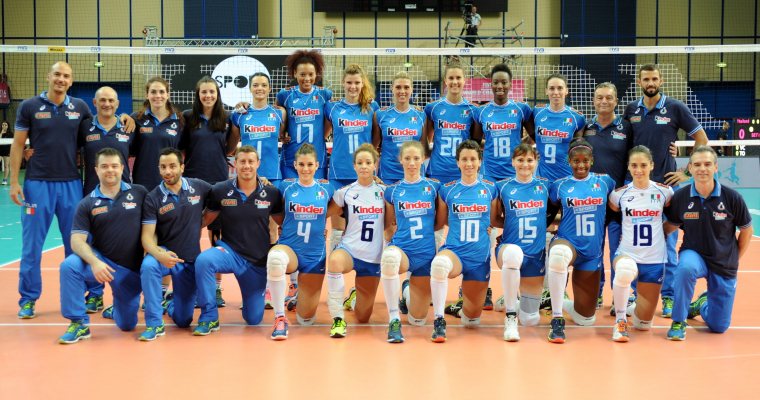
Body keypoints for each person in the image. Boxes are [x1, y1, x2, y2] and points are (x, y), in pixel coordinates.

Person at [10, 62, 133, 318]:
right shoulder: (29, 106)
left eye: (66, 76)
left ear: (71, 80)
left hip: (71, 184)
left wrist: (126, 117)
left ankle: (90, 294)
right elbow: (18, 144)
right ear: (48, 76)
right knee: (31, 246)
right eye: (57, 74)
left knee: (78, 244)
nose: (61, 79)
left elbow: (101, 125)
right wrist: (13, 181)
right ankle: (28, 299)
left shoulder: (80, 108)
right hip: (37, 184)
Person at [623, 63, 708, 318]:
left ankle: (668, 297)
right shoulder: (631, 109)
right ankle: (636, 295)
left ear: (660, 81)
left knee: (669, 246)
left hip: (667, 188)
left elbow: (701, 139)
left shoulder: (675, 107)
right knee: (637, 245)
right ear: (639, 82)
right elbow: (626, 144)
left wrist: (686, 172)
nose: (650, 83)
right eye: (646, 79)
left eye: (654, 79)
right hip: (638, 188)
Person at [57, 148, 148, 344]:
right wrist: (95, 262)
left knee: (127, 325)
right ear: (96, 170)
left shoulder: (140, 193)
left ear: (122, 168)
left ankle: (117, 310)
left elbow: (154, 226)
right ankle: (79, 323)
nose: (110, 170)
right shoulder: (87, 203)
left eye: (114, 166)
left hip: (130, 272)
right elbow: (76, 241)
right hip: (102, 262)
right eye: (105, 166)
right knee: (69, 266)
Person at [664, 146, 753, 340]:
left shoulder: (732, 198)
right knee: (685, 268)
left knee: (718, 326)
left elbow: (747, 231)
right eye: (697, 165)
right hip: (694, 254)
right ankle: (678, 321)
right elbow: (669, 226)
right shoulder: (681, 197)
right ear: (690, 168)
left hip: (723, 261)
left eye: (707, 164)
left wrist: (734, 258)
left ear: (715, 167)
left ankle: (702, 304)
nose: (702, 169)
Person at [193, 145, 284, 335]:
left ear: (258, 164)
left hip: (256, 262)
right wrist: (175, 228)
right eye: (242, 161)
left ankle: (252, 300)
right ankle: (209, 317)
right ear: (235, 164)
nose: (246, 166)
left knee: (253, 319)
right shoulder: (221, 190)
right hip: (230, 252)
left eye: (251, 162)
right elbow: (204, 220)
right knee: (204, 260)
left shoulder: (271, 192)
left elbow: (284, 223)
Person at [139, 147, 212, 341]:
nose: (167, 171)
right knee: (149, 265)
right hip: (165, 255)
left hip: (189, 261)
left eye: (172, 166)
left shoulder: (199, 187)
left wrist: (259, 181)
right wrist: (159, 254)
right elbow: (147, 237)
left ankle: (171, 305)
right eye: (163, 167)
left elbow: (224, 192)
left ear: (182, 167)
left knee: (183, 320)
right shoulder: (153, 198)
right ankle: (154, 324)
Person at [428, 139, 497, 342]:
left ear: (480, 161)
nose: (469, 164)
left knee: (471, 322)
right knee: (439, 265)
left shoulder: (491, 189)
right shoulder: (447, 190)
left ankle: (461, 307)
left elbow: (494, 220)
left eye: (473, 159)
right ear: (457, 162)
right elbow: (439, 223)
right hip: (455, 251)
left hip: (479, 258)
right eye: (464, 159)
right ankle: (439, 321)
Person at [546, 139, 614, 343]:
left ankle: (558, 301)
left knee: (586, 319)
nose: (581, 165)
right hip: (567, 241)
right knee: (558, 256)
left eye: (585, 160)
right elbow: (548, 216)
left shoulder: (605, 182)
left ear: (592, 160)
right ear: (569, 162)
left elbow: (613, 211)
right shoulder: (559, 185)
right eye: (576, 161)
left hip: (592, 251)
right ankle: (557, 317)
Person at [265, 143, 336, 340]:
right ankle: (280, 318)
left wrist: (319, 223)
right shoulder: (285, 187)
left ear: (317, 165)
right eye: (302, 164)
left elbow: (341, 205)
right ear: (295, 165)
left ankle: (299, 297)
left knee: (306, 319)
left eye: (310, 164)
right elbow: (275, 209)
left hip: (315, 255)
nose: (306, 169)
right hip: (290, 248)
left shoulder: (327, 188)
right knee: (275, 259)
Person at [180, 76, 240, 308]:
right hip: (192, 184)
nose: (208, 96)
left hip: (218, 184)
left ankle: (215, 288)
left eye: (212, 92)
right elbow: (182, 147)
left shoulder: (226, 118)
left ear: (217, 94)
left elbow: (230, 148)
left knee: (217, 238)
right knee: (191, 236)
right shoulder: (188, 117)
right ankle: (191, 286)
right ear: (198, 95)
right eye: (203, 92)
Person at [607, 145, 673, 342]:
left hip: (654, 259)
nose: (639, 170)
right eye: (634, 165)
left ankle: (627, 307)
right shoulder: (618, 194)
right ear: (628, 166)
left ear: (651, 165)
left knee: (643, 324)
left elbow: (675, 219)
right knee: (625, 269)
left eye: (643, 165)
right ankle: (620, 321)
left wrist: (662, 232)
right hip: (628, 253)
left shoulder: (665, 192)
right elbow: (612, 219)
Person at [324, 143, 389, 338]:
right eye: (360, 163)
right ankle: (338, 319)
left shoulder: (385, 192)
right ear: (354, 166)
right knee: (334, 261)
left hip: (372, 257)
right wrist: (319, 231)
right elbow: (323, 214)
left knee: (363, 317)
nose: (364, 166)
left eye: (368, 162)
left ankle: (353, 297)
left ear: (375, 165)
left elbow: (391, 222)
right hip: (349, 250)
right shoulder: (345, 192)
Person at [381, 140, 443, 343]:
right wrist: (389, 246)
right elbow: (388, 224)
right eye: (407, 158)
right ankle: (394, 321)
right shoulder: (392, 191)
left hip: (425, 256)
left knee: (418, 320)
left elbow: (442, 220)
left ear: (423, 159)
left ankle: (406, 290)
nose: (412, 163)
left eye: (416, 158)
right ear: (400, 160)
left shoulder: (434, 187)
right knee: (390, 259)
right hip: (403, 251)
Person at [582, 82, 633, 309]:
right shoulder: (586, 128)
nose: (604, 101)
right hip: (591, 201)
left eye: (609, 98)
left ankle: (620, 297)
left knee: (618, 251)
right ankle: (597, 292)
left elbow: (637, 156)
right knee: (594, 250)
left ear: (616, 101)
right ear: (593, 101)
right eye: (600, 97)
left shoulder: (627, 127)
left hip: (617, 202)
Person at [492, 143, 549, 341]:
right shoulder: (502, 187)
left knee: (531, 320)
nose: (525, 164)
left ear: (536, 162)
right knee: (514, 253)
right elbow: (494, 219)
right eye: (520, 160)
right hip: (509, 249)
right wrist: (511, 225)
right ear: (513, 162)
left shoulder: (545, 186)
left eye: (529, 160)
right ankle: (510, 316)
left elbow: (553, 214)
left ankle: (511, 302)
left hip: (535, 255)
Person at [423, 62, 479, 253]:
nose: (455, 82)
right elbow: (426, 140)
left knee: (460, 218)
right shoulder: (433, 108)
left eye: (458, 78)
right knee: (436, 221)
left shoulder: (472, 109)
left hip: (462, 174)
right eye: (451, 78)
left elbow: (474, 143)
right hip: (437, 172)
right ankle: (434, 261)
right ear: (445, 81)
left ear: (465, 80)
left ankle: (461, 259)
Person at [325, 64, 380, 252]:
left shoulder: (371, 107)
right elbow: (323, 134)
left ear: (362, 83)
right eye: (349, 82)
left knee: (364, 223)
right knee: (338, 229)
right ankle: (335, 264)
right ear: (343, 82)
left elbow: (375, 139)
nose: (353, 86)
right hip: (339, 173)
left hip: (364, 174)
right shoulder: (332, 108)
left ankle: (362, 263)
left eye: (357, 82)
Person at [276, 50, 333, 180]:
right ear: (295, 74)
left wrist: (322, 136)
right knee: (290, 192)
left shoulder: (325, 94)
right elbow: (277, 116)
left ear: (316, 73)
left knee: (317, 192)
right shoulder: (285, 95)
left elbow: (330, 120)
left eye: (310, 74)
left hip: (317, 158)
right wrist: (282, 134)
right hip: (290, 158)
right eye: (302, 74)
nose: (307, 79)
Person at [529, 73, 586, 184]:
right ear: (546, 91)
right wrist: (530, 152)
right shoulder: (537, 112)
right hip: (541, 177)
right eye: (552, 88)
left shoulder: (577, 117)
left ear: (566, 91)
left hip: (566, 177)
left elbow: (579, 148)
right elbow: (531, 137)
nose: (556, 92)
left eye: (560, 88)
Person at [131, 76, 185, 191]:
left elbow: (183, 152)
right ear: (147, 95)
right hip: (143, 180)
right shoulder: (136, 119)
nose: (158, 96)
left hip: (169, 180)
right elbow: (129, 151)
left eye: (161, 92)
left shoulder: (179, 120)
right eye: (153, 92)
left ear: (167, 95)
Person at [373, 71, 426, 184]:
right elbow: (373, 147)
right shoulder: (380, 115)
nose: (402, 91)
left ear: (412, 89)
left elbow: (424, 148)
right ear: (392, 89)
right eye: (398, 87)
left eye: (406, 87)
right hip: (388, 175)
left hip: (414, 175)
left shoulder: (421, 115)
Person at [79, 87, 133, 196]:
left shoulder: (129, 128)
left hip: (122, 193)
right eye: (102, 100)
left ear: (117, 104)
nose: (107, 104)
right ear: (95, 102)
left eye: (111, 100)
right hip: (92, 192)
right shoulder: (84, 127)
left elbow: (132, 154)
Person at [1, 120, 11, 185]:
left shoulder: (10, 134)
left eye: (5, 125)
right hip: (0, 149)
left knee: (6, 165)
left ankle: (5, 180)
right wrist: (1, 133)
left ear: (7, 126)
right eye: (3, 125)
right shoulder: (0, 132)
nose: (4, 126)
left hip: (7, 150)